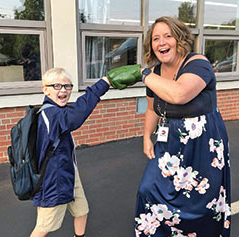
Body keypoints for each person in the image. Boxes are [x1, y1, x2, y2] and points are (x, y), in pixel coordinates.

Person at [107, 16, 231, 237]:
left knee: (201, 203)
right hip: (170, 140)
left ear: (179, 39)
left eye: (167, 36)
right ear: (151, 46)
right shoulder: (155, 73)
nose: (161, 42)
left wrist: (141, 73)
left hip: (203, 143)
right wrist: (146, 137)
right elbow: (153, 108)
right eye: (155, 38)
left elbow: (179, 94)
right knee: (148, 189)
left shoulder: (197, 63)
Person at [30, 67, 110, 237]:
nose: (63, 91)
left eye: (67, 86)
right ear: (45, 90)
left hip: (69, 173)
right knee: (43, 227)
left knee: (81, 211)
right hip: (53, 180)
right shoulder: (50, 114)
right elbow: (75, 116)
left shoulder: (56, 111)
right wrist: (102, 85)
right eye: (57, 86)